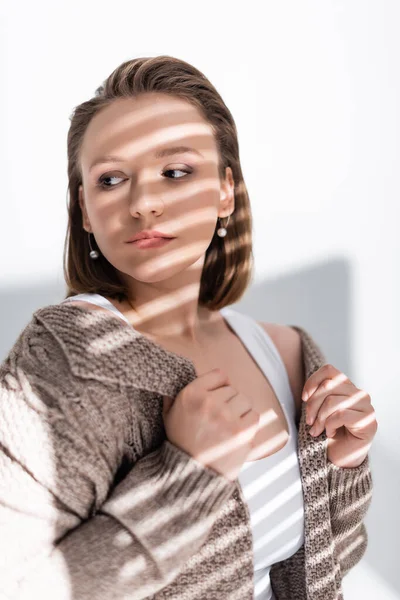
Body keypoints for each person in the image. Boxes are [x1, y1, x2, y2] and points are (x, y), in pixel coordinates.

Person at [0, 55, 376, 600]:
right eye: (110, 179)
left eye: (175, 172)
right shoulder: (68, 359)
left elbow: (314, 575)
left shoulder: (290, 353)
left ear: (226, 191)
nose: (143, 202)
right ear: (85, 209)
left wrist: (343, 465)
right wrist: (187, 473)